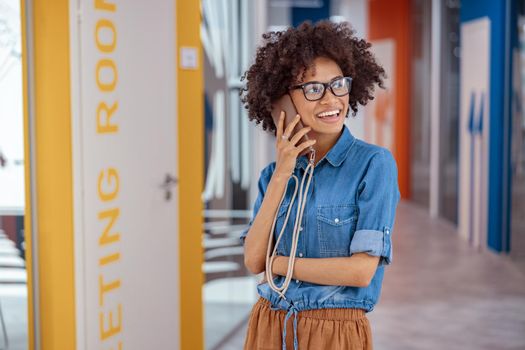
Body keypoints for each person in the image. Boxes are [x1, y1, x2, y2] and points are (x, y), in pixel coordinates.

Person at [239, 20, 400, 350]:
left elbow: (360, 272)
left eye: (338, 84)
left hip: (334, 334)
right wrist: (283, 172)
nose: (331, 100)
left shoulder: (374, 165)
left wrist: (279, 264)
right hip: (269, 324)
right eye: (313, 89)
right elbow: (253, 260)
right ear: (282, 102)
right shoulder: (273, 176)